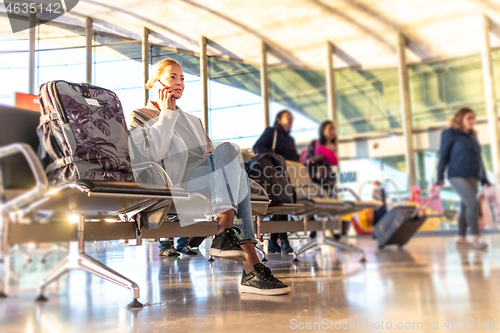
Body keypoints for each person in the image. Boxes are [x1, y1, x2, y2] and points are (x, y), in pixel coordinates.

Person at [128, 58, 290, 295]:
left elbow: (206, 153)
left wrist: (210, 155)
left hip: (203, 181)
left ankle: (229, 239)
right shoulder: (139, 115)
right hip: (173, 183)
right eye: (172, 77)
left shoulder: (194, 121)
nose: (179, 82)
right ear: (156, 82)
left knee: (230, 155)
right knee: (237, 175)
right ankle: (247, 264)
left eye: (182, 78)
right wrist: (166, 114)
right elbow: (155, 153)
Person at [436, 107, 490, 250]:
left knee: (465, 205)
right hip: (457, 174)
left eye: (473, 118)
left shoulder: (473, 136)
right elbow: (443, 155)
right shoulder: (450, 133)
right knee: (473, 203)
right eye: (469, 118)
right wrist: (439, 176)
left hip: (473, 175)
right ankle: (477, 237)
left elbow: (479, 159)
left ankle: (461, 237)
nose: (472, 121)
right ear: (461, 118)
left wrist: (484, 178)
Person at [253, 110, 298, 254]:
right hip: (275, 175)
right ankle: (283, 239)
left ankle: (273, 241)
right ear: (278, 119)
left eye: (291, 119)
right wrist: (277, 159)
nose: (290, 121)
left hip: (287, 176)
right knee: (281, 205)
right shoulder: (272, 132)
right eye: (287, 118)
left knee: (282, 204)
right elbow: (258, 147)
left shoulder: (289, 139)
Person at [303, 120, 338, 239]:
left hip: (328, 178)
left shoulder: (334, 146)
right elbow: (307, 161)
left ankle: (331, 227)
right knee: (313, 202)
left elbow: (333, 164)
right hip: (314, 177)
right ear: (323, 131)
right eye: (329, 129)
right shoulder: (316, 143)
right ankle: (314, 226)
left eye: (333, 129)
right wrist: (319, 162)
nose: (332, 132)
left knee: (328, 201)